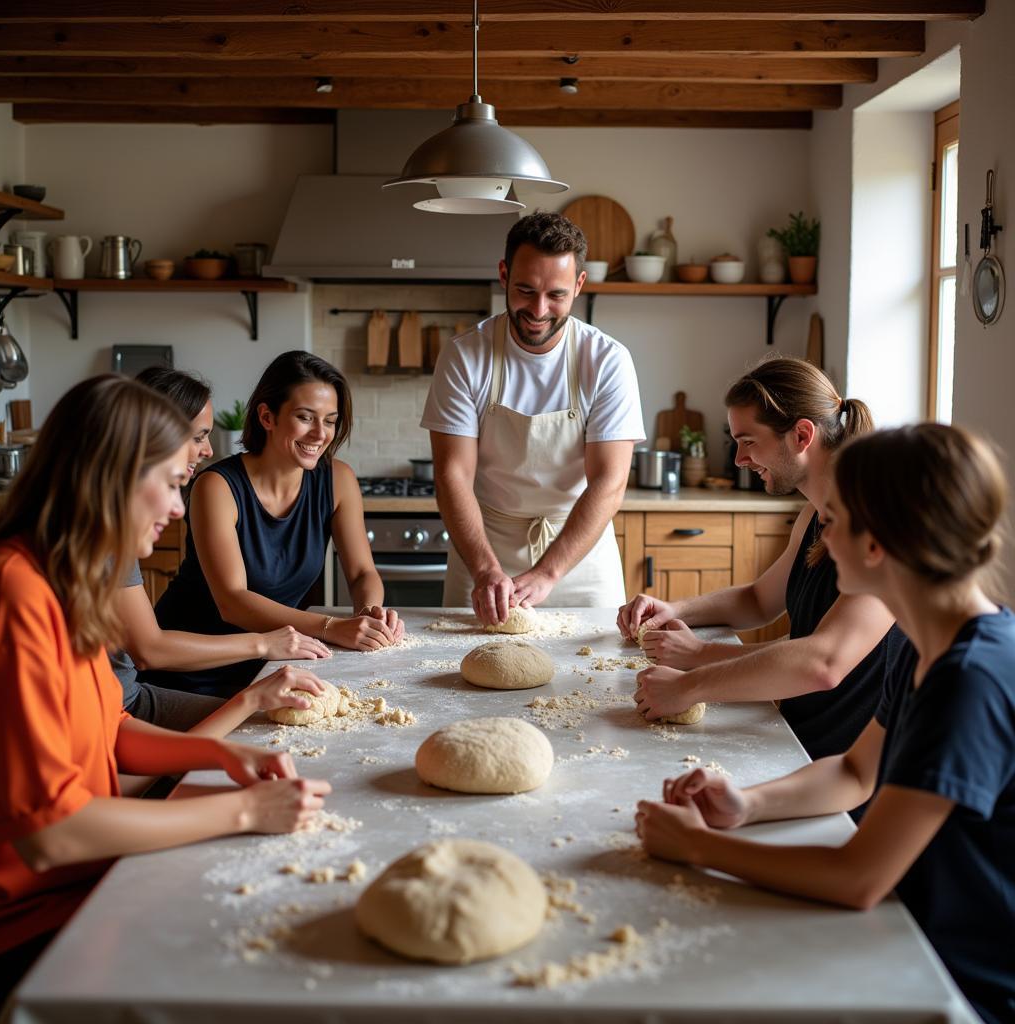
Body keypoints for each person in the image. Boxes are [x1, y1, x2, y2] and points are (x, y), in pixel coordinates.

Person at [635, 423, 1015, 1024]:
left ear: (877, 545)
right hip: (911, 933)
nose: (822, 535)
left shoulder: (971, 679)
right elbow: (856, 772)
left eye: (834, 519)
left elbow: (859, 876)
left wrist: (697, 847)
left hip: (961, 985)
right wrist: (746, 806)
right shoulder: (928, 644)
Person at [0, 376, 330, 1015]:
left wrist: (224, 757)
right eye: (173, 484)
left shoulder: (68, 581)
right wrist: (245, 812)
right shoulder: (16, 591)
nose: (178, 508)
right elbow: (53, 833)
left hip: (91, 880)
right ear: (114, 479)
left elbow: (108, 728)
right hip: (26, 923)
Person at [622, 358, 897, 762]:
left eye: (748, 441)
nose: (738, 459)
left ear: (802, 435)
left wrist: (695, 673)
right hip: (801, 743)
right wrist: (674, 609)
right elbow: (758, 600)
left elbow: (822, 662)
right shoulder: (813, 517)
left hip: (856, 770)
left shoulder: (882, 528)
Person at [422, 211, 645, 624]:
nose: (539, 310)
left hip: (579, 559)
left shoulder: (607, 361)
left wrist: (548, 572)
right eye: (525, 290)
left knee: (594, 680)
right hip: (484, 553)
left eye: (556, 294)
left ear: (579, 284)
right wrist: (487, 569)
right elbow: (452, 475)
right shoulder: (465, 356)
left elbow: (609, 481)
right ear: (504, 274)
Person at [146, 350, 404, 698]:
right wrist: (332, 627)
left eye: (330, 421)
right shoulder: (216, 486)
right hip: (192, 672)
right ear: (267, 416)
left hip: (276, 661)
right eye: (305, 417)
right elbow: (233, 601)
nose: (320, 434)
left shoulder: (338, 480)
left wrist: (369, 615)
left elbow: (361, 573)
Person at [107, 366, 331, 732]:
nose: (209, 450)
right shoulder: (105, 530)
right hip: (133, 707)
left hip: (132, 701)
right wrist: (263, 646)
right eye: (199, 437)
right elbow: (148, 651)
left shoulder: (114, 522)